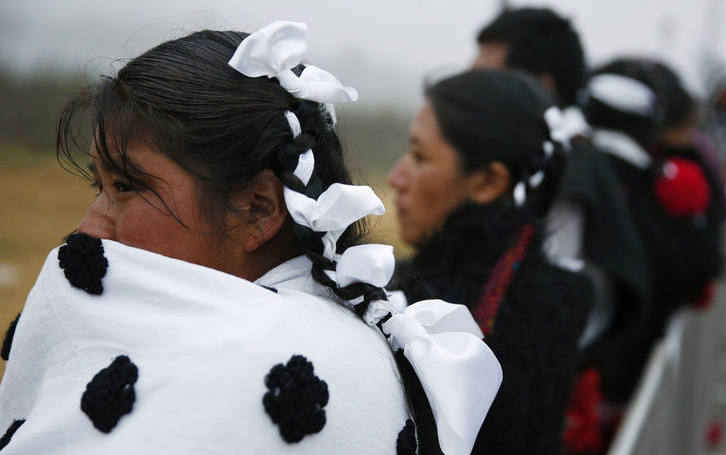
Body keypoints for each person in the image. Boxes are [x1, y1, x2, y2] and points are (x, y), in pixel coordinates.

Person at [0, 21, 502, 455]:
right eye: (100, 186)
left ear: (256, 210)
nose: (89, 227)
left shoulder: (256, 369)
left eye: (128, 187)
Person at [388, 69, 593, 454]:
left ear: (487, 183)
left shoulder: (422, 312)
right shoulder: (566, 295)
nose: (396, 176)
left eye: (419, 156)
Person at [473, 11, 651, 449]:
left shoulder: (568, 169)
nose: (472, 94)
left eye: (487, 80)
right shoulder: (552, 155)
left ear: (541, 86)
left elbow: (548, 308)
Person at [581, 57, 726, 398]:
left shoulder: (570, 171)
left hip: (593, 373)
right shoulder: (667, 183)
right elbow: (703, 271)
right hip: (627, 374)